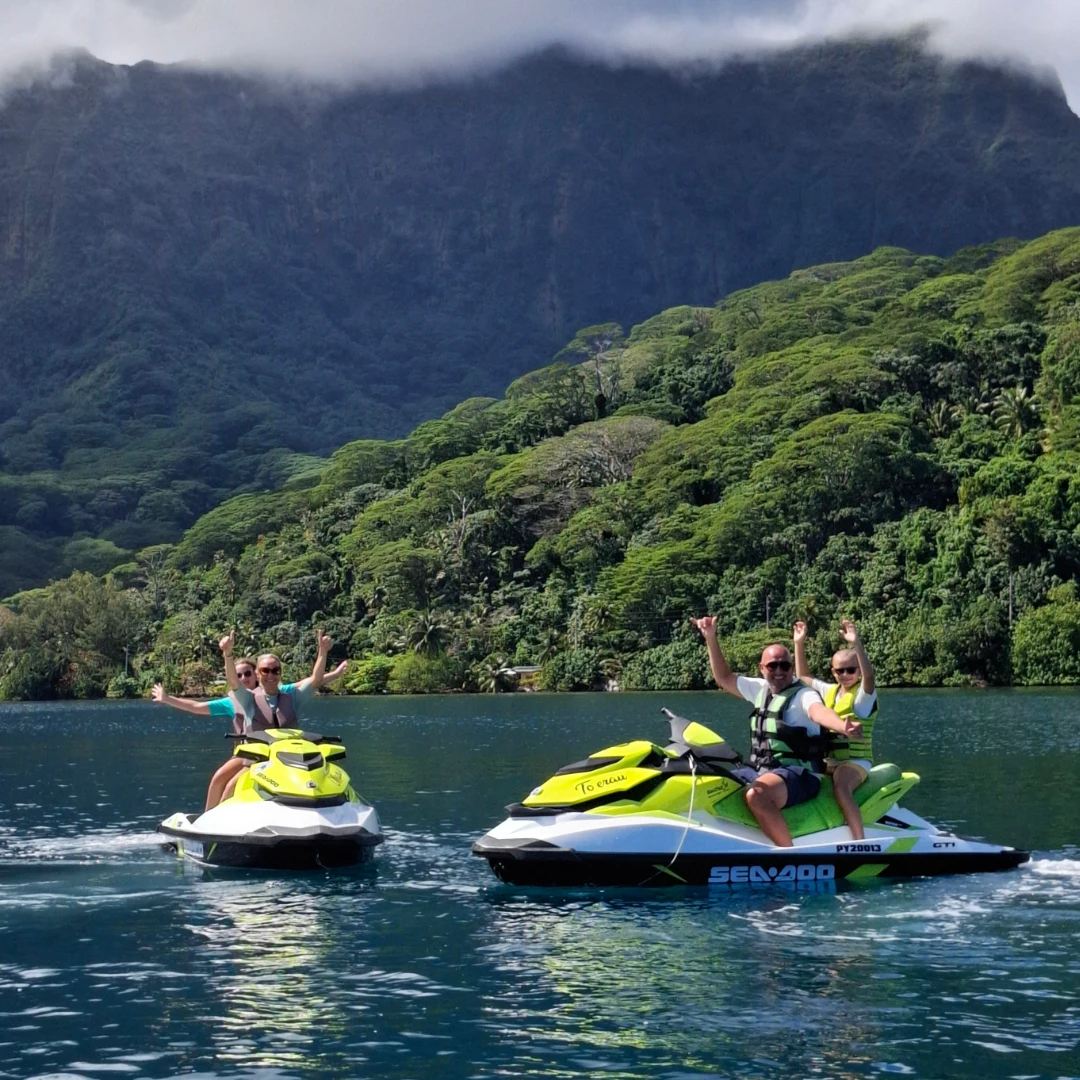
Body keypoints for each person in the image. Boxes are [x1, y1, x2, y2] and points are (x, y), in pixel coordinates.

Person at [692, 615, 863, 848]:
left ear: (792, 667)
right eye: (773, 666)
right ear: (762, 668)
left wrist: (842, 725)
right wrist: (711, 638)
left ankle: (787, 852)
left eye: (785, 665)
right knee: (711, 782)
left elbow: (817, 712)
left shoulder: (804, 694)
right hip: (763, 771)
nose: (779, 671)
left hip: (800, 776)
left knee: (757, 795)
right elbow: (724, 678)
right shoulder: (760, 690)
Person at [215, 630, 337, 803]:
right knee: (231, 786)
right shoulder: (248, 699)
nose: (270, 675)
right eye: (265, 671)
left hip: (291, 762)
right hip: (258, 762)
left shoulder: (293, 697)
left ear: (280, 673)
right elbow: (234, 682)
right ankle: (216, 821)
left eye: (275, 670)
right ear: (258, 674)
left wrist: (323, 652)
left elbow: (316, 680)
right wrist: (228, 654)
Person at [793, 619, 878, 841]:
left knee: (840, 787)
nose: (845, 674)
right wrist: (799, 644)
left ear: (858, 671)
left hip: (856, 761)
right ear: (833, 672)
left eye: (851, 670)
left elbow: (870, 678)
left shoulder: (863, 699)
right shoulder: (830, 692)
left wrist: (856, 643)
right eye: (840, 671)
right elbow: (803, 678)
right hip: (830, 761)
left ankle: (860, 841)